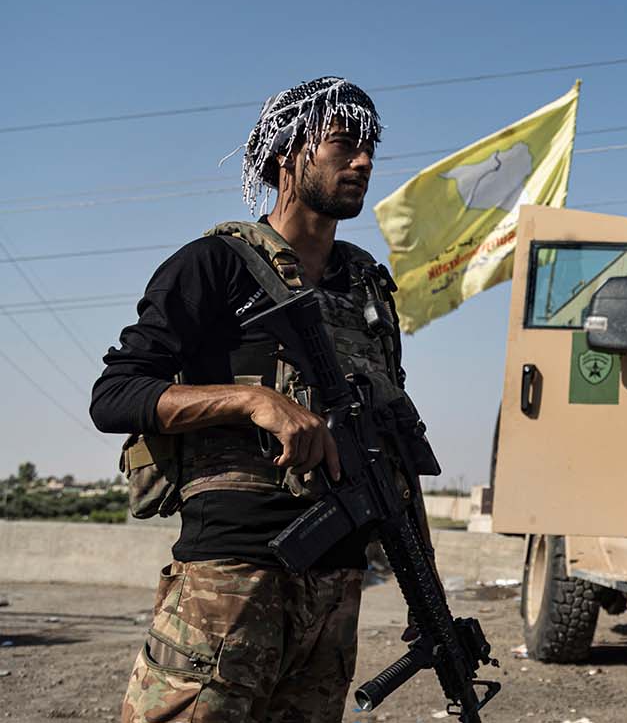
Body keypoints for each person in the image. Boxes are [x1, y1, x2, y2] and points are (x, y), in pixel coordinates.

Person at [92, 76, 420, 722]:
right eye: (342, 143)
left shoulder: (368, 289)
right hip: (230, 578)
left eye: (369, 148)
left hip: (335, 588)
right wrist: (254, 403)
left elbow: (395, 443)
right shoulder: (215, 264)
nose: (363, 161)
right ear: (287, 154)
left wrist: (422, 584)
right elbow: (116, 394)